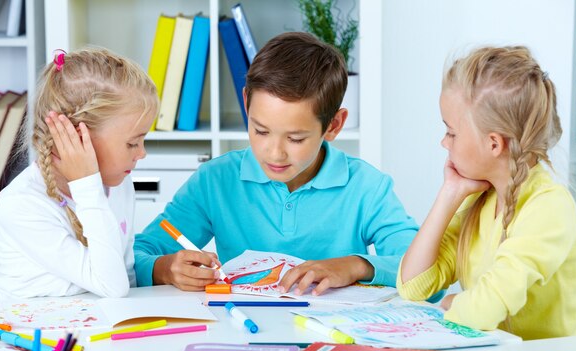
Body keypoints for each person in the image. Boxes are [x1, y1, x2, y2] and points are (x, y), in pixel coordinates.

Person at [134, 32, 418, 295]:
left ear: (333, 125)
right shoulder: (215, 181)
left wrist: (356, 266)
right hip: (240, 332)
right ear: (246, 103)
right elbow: (137, 254)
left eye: (295, 138)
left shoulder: (366, 187)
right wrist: (165, 269)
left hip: (332, 338)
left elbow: (425, 271)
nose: (274, 153)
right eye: (261, 131)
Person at [398, 46, 576, 340]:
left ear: (493, 144)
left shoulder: (548, 206)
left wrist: (450, 304)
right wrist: (448, 195)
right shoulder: (480, 200)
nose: (443, 142)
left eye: (451, 132)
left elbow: (486, 308)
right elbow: (413, 286)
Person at [0, 47, 158, 299]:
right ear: (78, 138)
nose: (141, 153)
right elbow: (114, 287)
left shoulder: (119, 184)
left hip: (93, 328)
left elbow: (125, 273)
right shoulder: (20, 204)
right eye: (132, 143)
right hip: (30, 333)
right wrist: (87, 187)